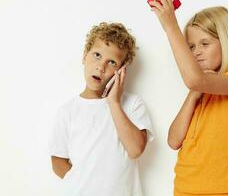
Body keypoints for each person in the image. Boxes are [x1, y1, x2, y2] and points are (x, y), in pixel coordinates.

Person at [150, 0, 228, 195]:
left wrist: (171, 27)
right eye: (191, 47)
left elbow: (193, 79)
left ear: (226, 42)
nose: (196, 52)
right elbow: (173, 141)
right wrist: (193, 96)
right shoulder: (198, 90)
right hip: (183, 191)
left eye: (204, 44)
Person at [48, 22, 153, 196]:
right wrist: (84, 184)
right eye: (97, 55)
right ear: (84, 56)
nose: (101, 67)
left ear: (121, 70)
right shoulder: (68, 111)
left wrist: (114, 103)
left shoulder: (133, 105)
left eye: (112, 62)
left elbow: (135, 150)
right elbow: (58, 161)